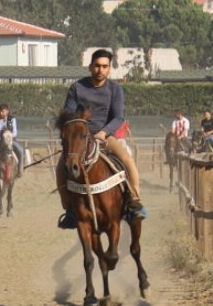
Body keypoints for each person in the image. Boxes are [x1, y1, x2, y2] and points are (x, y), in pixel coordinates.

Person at [57, 49, 148, 229]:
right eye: (97, 66)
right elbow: (68, 115)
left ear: (109, 69)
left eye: (104, 66)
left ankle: (134, 201)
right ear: (90, 67)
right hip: (80, 139)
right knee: (61, 167)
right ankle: (69, 210)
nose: (100, 70)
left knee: (128, 161)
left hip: (107, 136)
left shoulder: (115, 89)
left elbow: (119, 117)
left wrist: (103, 133)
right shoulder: (76, 88)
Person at [0, 103, 24, 178]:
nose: (1, 113)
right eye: (0, 111)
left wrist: (8, 136)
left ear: (7, 111)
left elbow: (15, 132)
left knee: (21, 150)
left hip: (9, 139)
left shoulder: (12, 119)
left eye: (3, 111)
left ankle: (20, 170)